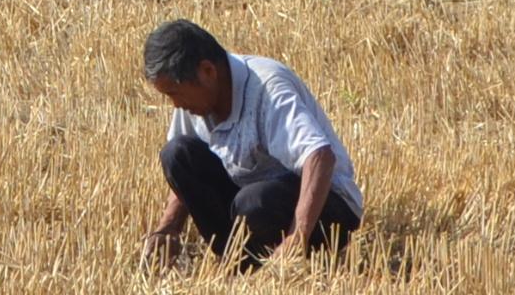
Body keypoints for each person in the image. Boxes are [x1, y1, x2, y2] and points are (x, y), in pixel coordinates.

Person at [138, 17, 361, 266]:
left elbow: (320, 157)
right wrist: (168, 228)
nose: (175, 104)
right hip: (250, 205)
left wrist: (297, 237)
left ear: (208, 71)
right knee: (177, 153)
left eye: (174, 94)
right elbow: (185, 169)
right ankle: (240, 258)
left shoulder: (268, 87)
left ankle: (269, 258)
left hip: (327, 207)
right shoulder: (195, 102)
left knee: (254, 200)